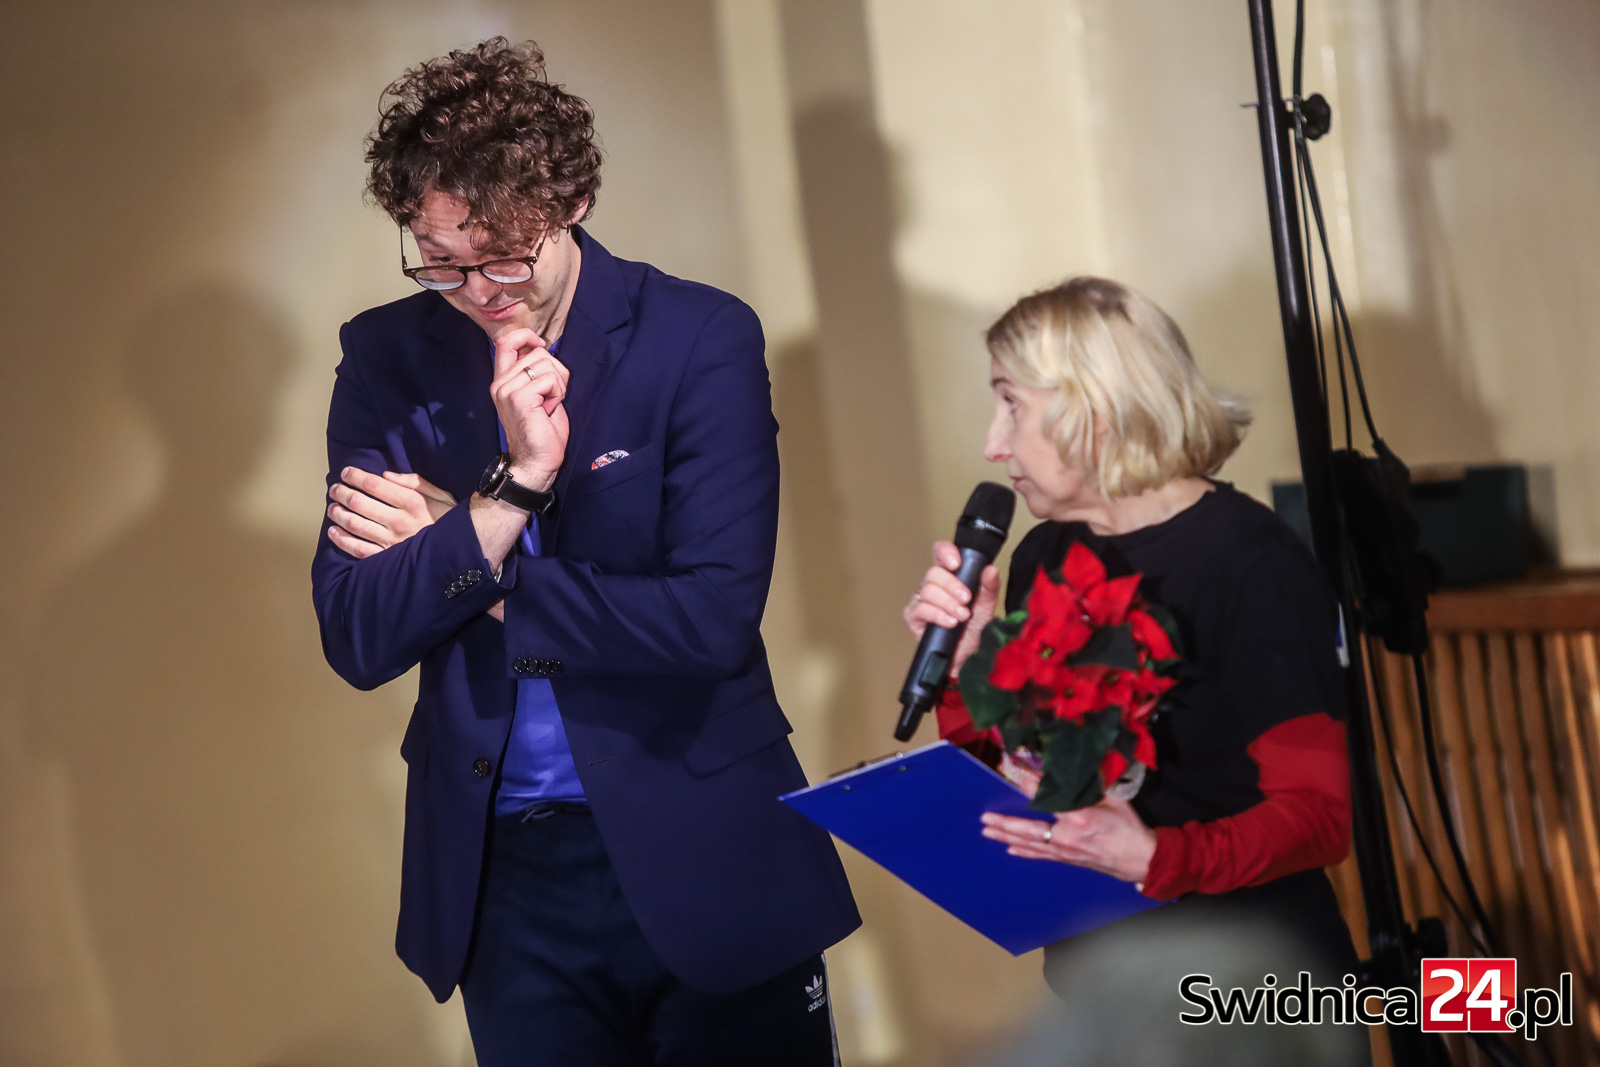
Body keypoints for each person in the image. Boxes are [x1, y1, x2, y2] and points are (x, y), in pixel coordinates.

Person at [311, 38, 858, 1067]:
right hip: (502, 867)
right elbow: (358, 632)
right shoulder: (388, 356)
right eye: (439, 261)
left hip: (703, 835)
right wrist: (511, 492)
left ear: (572, 202)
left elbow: (706, 620)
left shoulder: (698, 336)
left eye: (503, 256)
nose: (476, 289)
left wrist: (466, 557)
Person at [904, 276, 1360, 988]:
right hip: (1102, 979)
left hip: (1249, 986)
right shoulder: (1044, 552)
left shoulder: (1250, 560)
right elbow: (1026, 779)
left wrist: (1158, 857)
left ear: (1095, 408)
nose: (994, 445)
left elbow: (1320, 817)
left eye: (1011, 404)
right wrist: (968, 668)